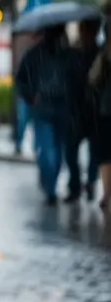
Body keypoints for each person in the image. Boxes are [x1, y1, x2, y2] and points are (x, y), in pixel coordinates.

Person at [15, 27, 77, 205]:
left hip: (62, 107)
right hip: (44, 107)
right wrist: (31, 95)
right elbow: (21, 79)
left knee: (56, 150)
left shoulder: (68, 55)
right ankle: (50, 186)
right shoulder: (35, 54)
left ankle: (51, 185)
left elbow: (77, 80)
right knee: (49, 150)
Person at [65, 19, 102, 203]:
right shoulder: (73, 53)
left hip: (95, 110)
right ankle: (75, 184)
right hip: (76, 109)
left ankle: (90, 182)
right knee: (71, 150)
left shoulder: (101, 54)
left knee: (94, 150)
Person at [87, 18, 111, 211]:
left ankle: (106, 193)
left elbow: (93, 78)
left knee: (105, 153)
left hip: (107, 108)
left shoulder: (104, 54)